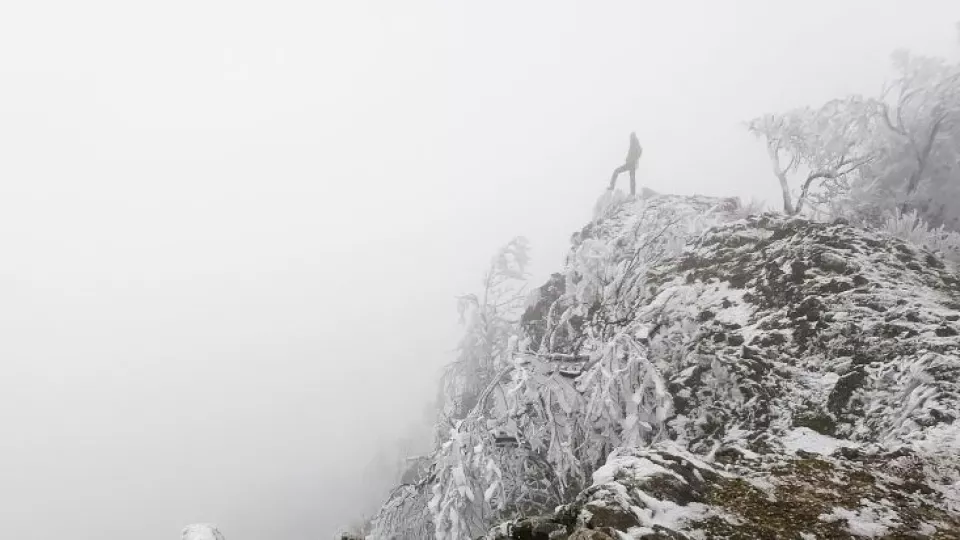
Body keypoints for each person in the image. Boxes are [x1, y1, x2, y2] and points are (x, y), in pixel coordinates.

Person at [608, 132, 642, 196]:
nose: (630, 138)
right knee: (632, 178)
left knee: (617, 171)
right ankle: (632, 193)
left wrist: (634, 159)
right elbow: (637, 152)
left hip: (631, 164)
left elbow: (639, 151)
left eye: (631, 136)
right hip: (631, 163)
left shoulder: (635, 143)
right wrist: (632, 159)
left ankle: (612, 186)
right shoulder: (633, 143)